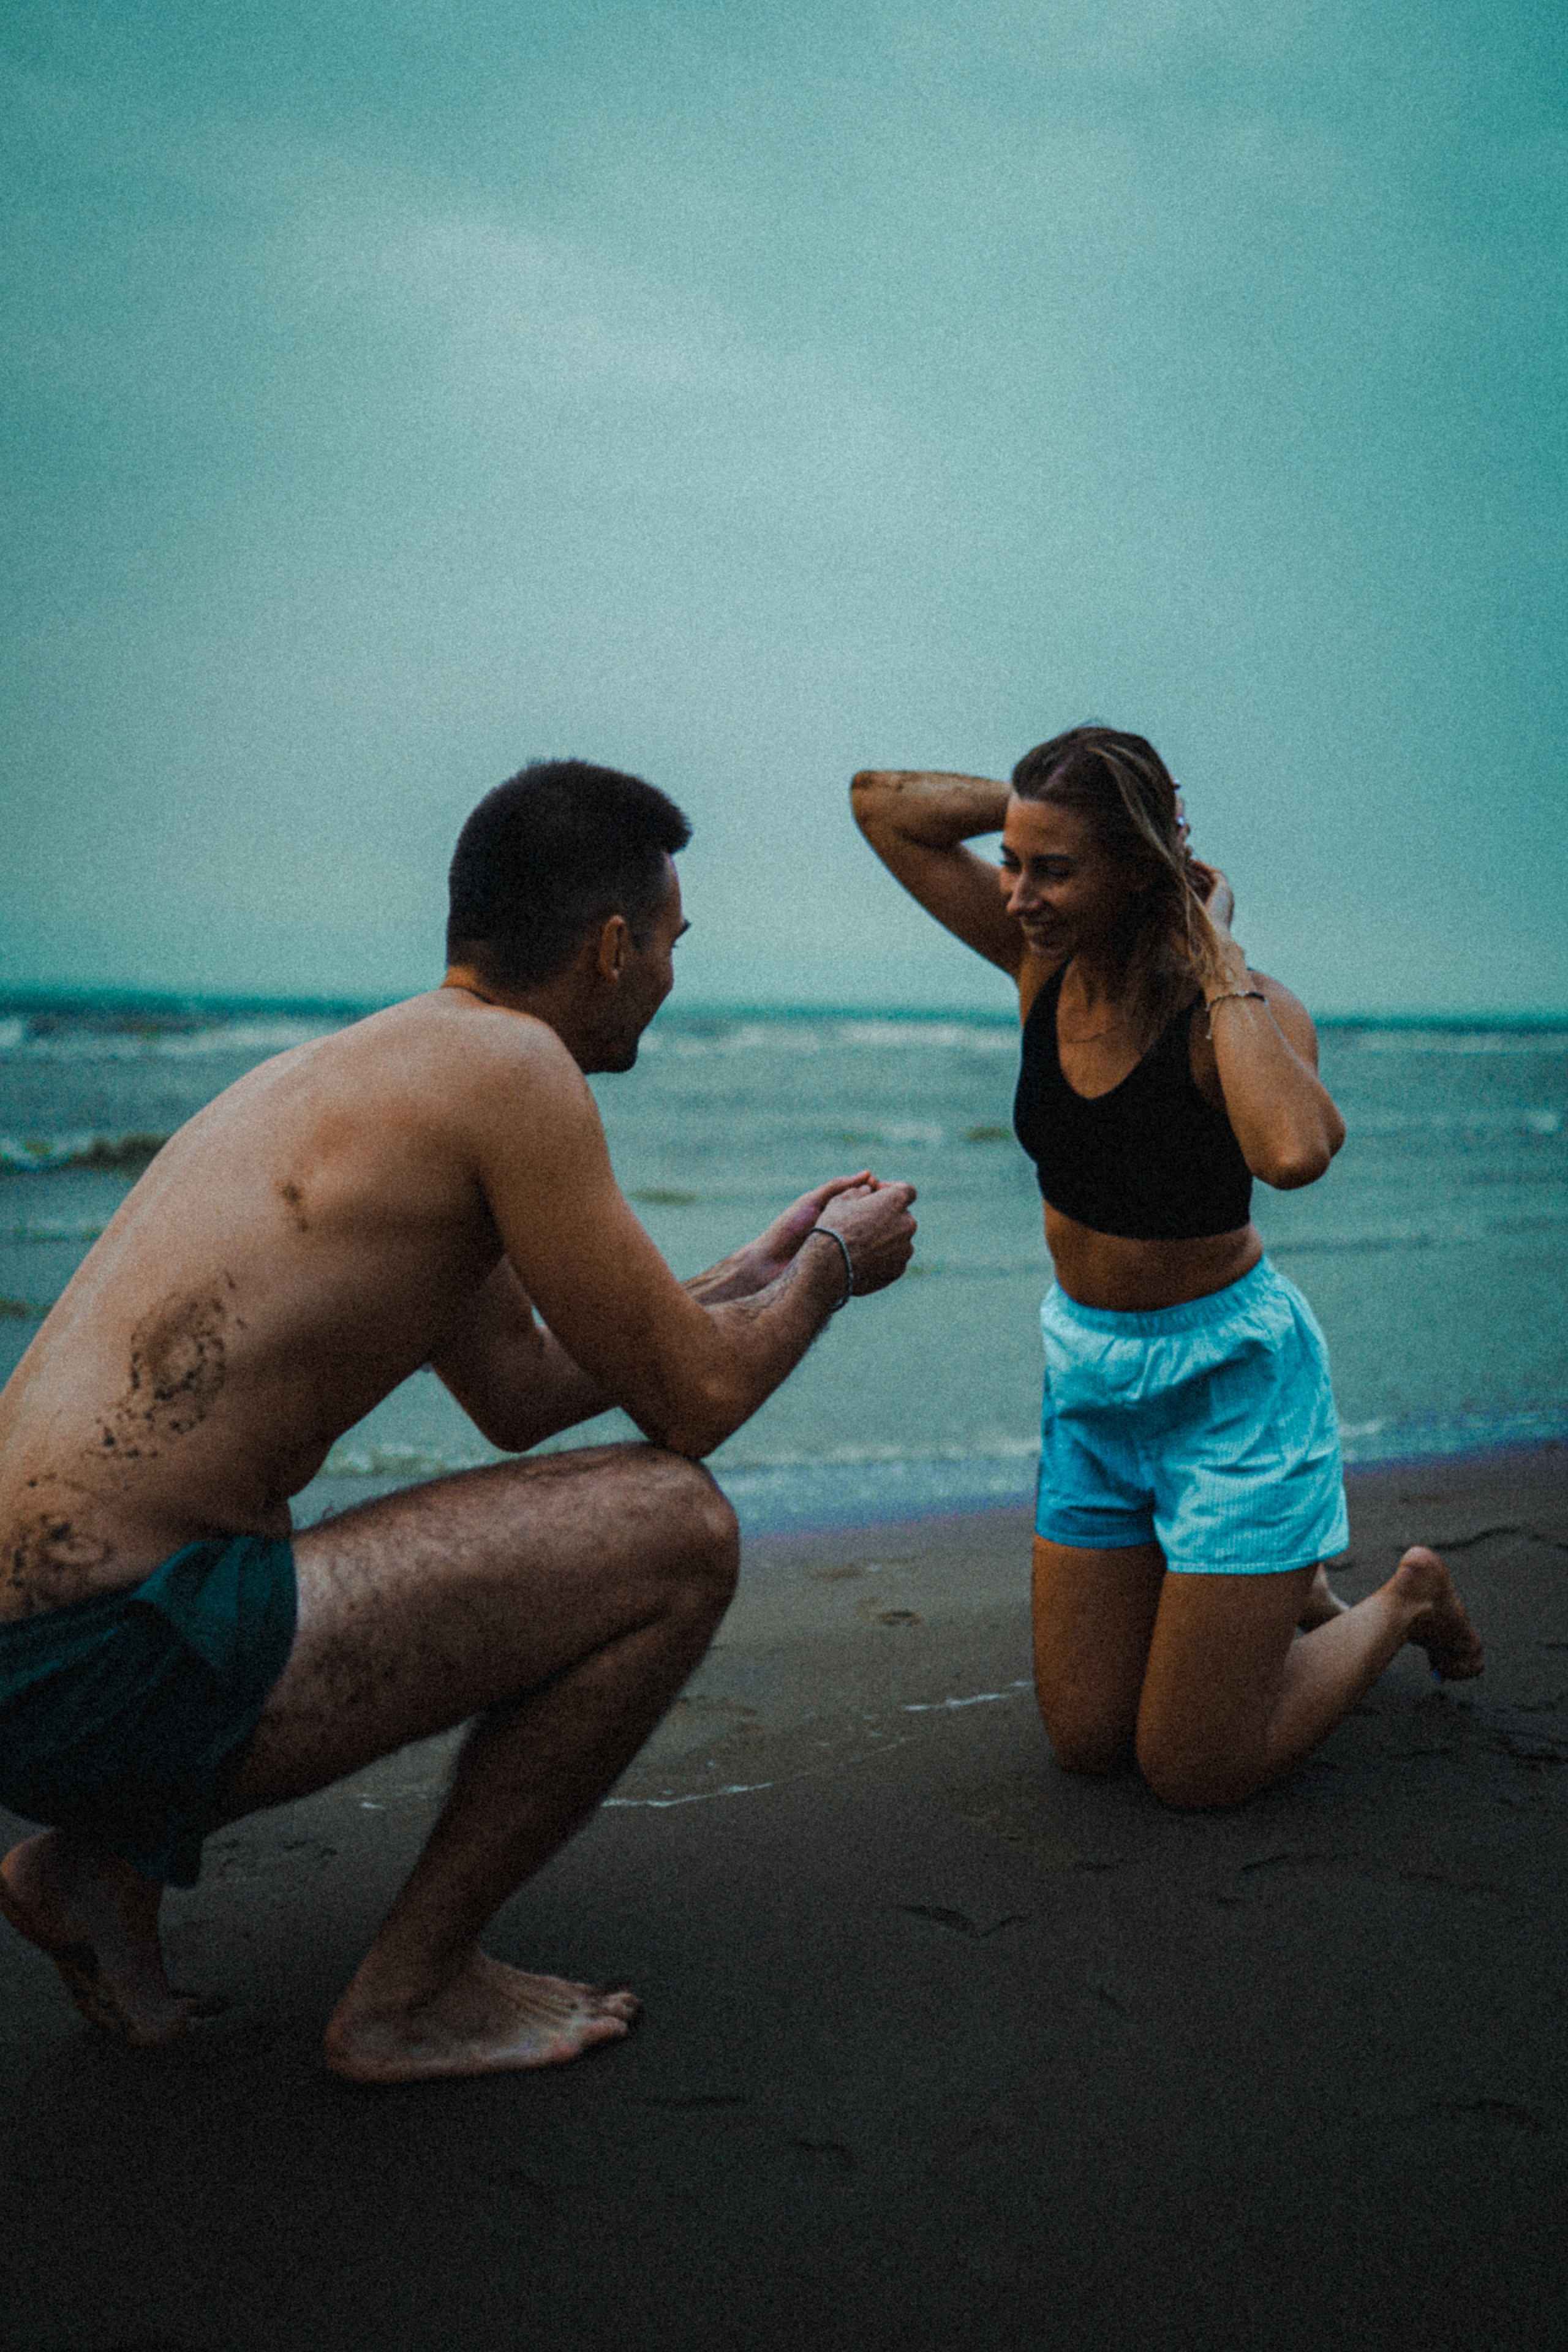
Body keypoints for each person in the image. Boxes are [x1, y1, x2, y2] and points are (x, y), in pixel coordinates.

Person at [0, 760, 917, 2078]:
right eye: (668, 945)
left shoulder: (381, 1065)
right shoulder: (513, 1070)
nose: (668, 976)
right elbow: (696, 1406)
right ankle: (411, 1994)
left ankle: (89, 1881)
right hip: (115, 1664)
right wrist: (832, 1269)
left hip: (49, 1662)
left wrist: (754, 1267)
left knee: (621, 1502)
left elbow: (520, 1391)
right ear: (610, 948)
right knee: (676, 1530)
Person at [851, 725, 1480, 1810]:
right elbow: (880, 803)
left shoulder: (1236, 1009)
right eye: (1011, 860)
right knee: (1090, 1742)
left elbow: (1292, 1153)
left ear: (1138, 873)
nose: (1017, 895)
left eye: (1054, 869)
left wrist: (1215, 942)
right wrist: (1038, 808)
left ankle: (1404, 1601)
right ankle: (1277, 1589)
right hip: (1091, 1381)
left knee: (1194, 1771)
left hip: (1231, 1390)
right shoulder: (1036, 968)